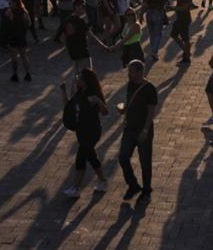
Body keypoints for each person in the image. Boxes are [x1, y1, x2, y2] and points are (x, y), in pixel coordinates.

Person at [60, 68, 109, 197]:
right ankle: (103, 181)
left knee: (81, 157)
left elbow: (105, 112)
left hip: (92, 131)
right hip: (81, 131)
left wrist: (98, 101)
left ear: (85, 81)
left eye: (79, 77)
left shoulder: (93, 94)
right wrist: (64, 92)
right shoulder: (80, 92)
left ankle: (76, 188)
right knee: (91, 156)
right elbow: (69, 108)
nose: (76, 78)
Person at [117, 60, 158, 203]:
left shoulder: (150, 89)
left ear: (140, 72)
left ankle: (146, 191)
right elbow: (129, 102)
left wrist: (146, 130)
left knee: (145, 162)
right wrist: (124, 108)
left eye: (132, 72)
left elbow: (151, 112)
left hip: (143, 130)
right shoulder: (131, 84)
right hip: (129, 128)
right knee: (123, 157)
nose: (129, 74)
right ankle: (133, 185)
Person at [3, 0, 33, 82]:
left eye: (10, 3)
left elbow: (6, 22)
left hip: (13, 36)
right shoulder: (24, 12)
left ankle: (15, 74)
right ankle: (28, 74)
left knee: (14, 57)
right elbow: (29, 24)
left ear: (14, 3)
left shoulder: (10, 11)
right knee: (24, 56)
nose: (9, 4)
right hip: (22, 36)